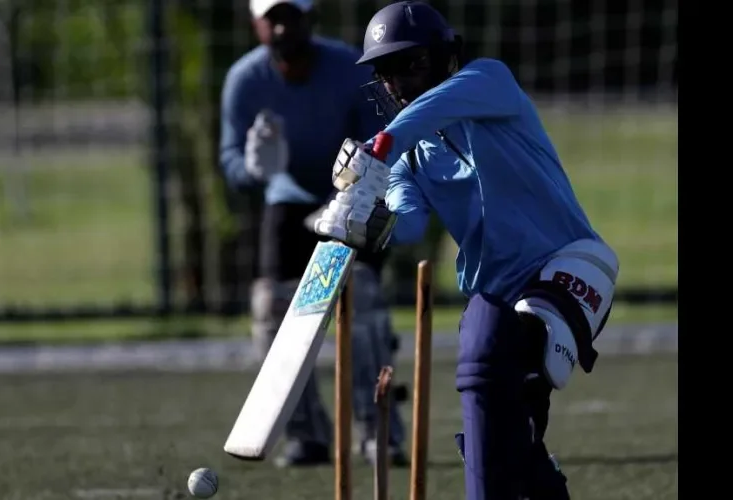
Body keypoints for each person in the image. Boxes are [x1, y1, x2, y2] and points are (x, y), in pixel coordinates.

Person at [315, 1, 620, 498]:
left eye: (409, 63)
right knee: (487, 392)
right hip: (496, 289)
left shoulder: (488, 82)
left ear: (443, 57)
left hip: (569, 269)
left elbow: (427, 112)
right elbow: (409, 225)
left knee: (505, 354)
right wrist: (370, 221)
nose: (397, 80)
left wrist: (378, 147)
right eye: (386, 71)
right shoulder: (408, 157)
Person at [219, 0, 408, 468]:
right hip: (286, 200)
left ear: (311, 17)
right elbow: (230, 162)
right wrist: (252, 168)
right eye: (272, 18)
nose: (283, 27)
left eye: (292, 16)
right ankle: (306, 434)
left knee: (360, 296)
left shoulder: (347, 68)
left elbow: (382, 142)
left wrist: (348, 195)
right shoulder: (245, 79)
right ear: (257, 23)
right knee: (271, 305)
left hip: (352, 198)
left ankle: (377, 427)